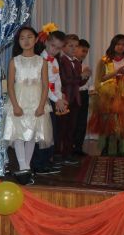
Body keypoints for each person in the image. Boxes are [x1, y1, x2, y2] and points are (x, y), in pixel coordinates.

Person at [3, 26, 52, 185]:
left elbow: (45, 85)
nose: (26, 40)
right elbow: (10, 86)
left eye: (29, 37)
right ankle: (24, 168)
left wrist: (41, 105)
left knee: (31, 134)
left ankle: (26, 168)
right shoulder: (14, 61)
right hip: (19, 100)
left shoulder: (42, 62)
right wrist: (15, 105)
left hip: (36, 101)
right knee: (18, 134)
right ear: (18, 41)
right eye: (22, 38)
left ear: (36, 39)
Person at [88, 34, 124, 156]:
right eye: (118, 44)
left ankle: (121, 148)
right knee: (108, 121)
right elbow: (101, 78)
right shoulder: (105, 60)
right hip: (109, 95)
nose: (120, 47)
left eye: (123, 44)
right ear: (113, 45)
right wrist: (116, 72)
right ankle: (107, 147)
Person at [31, 29, 67, 175]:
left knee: (51, 132)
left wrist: (60, 97)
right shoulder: (40, 60)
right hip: (42, 100)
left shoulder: (55, 61)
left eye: (58, 48)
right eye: (53, 46)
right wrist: (56, 99)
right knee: (42, 133)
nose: (54, 50)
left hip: (52, 99)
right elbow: (43, 85)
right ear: (46, 42)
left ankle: (47, 161)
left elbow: (57, 81)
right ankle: (38, 164)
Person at [58, 34, 87, 164]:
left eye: (76, 46)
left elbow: (78, 83)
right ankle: (60, 154)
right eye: (71, 46)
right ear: (63, 47)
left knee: (72, 128)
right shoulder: (61, 61)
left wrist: (85, 77)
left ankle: (68, 153)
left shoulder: (77, 62)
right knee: (63, 128)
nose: (74, 49)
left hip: (75, 99)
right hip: (65, 98)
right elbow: (65, 80)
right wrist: (81, 76)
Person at [74, 38, 92, 156]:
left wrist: (91, 89)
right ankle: (70, 148)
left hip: (84, 94)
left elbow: (87, 84)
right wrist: (82, 75)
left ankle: (78, 147)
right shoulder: (69, 63)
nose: (84, 54)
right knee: (73, 122)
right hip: (74, 94)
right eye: (82, 50)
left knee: (82, 122)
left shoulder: (85, 65)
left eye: (86, 52)